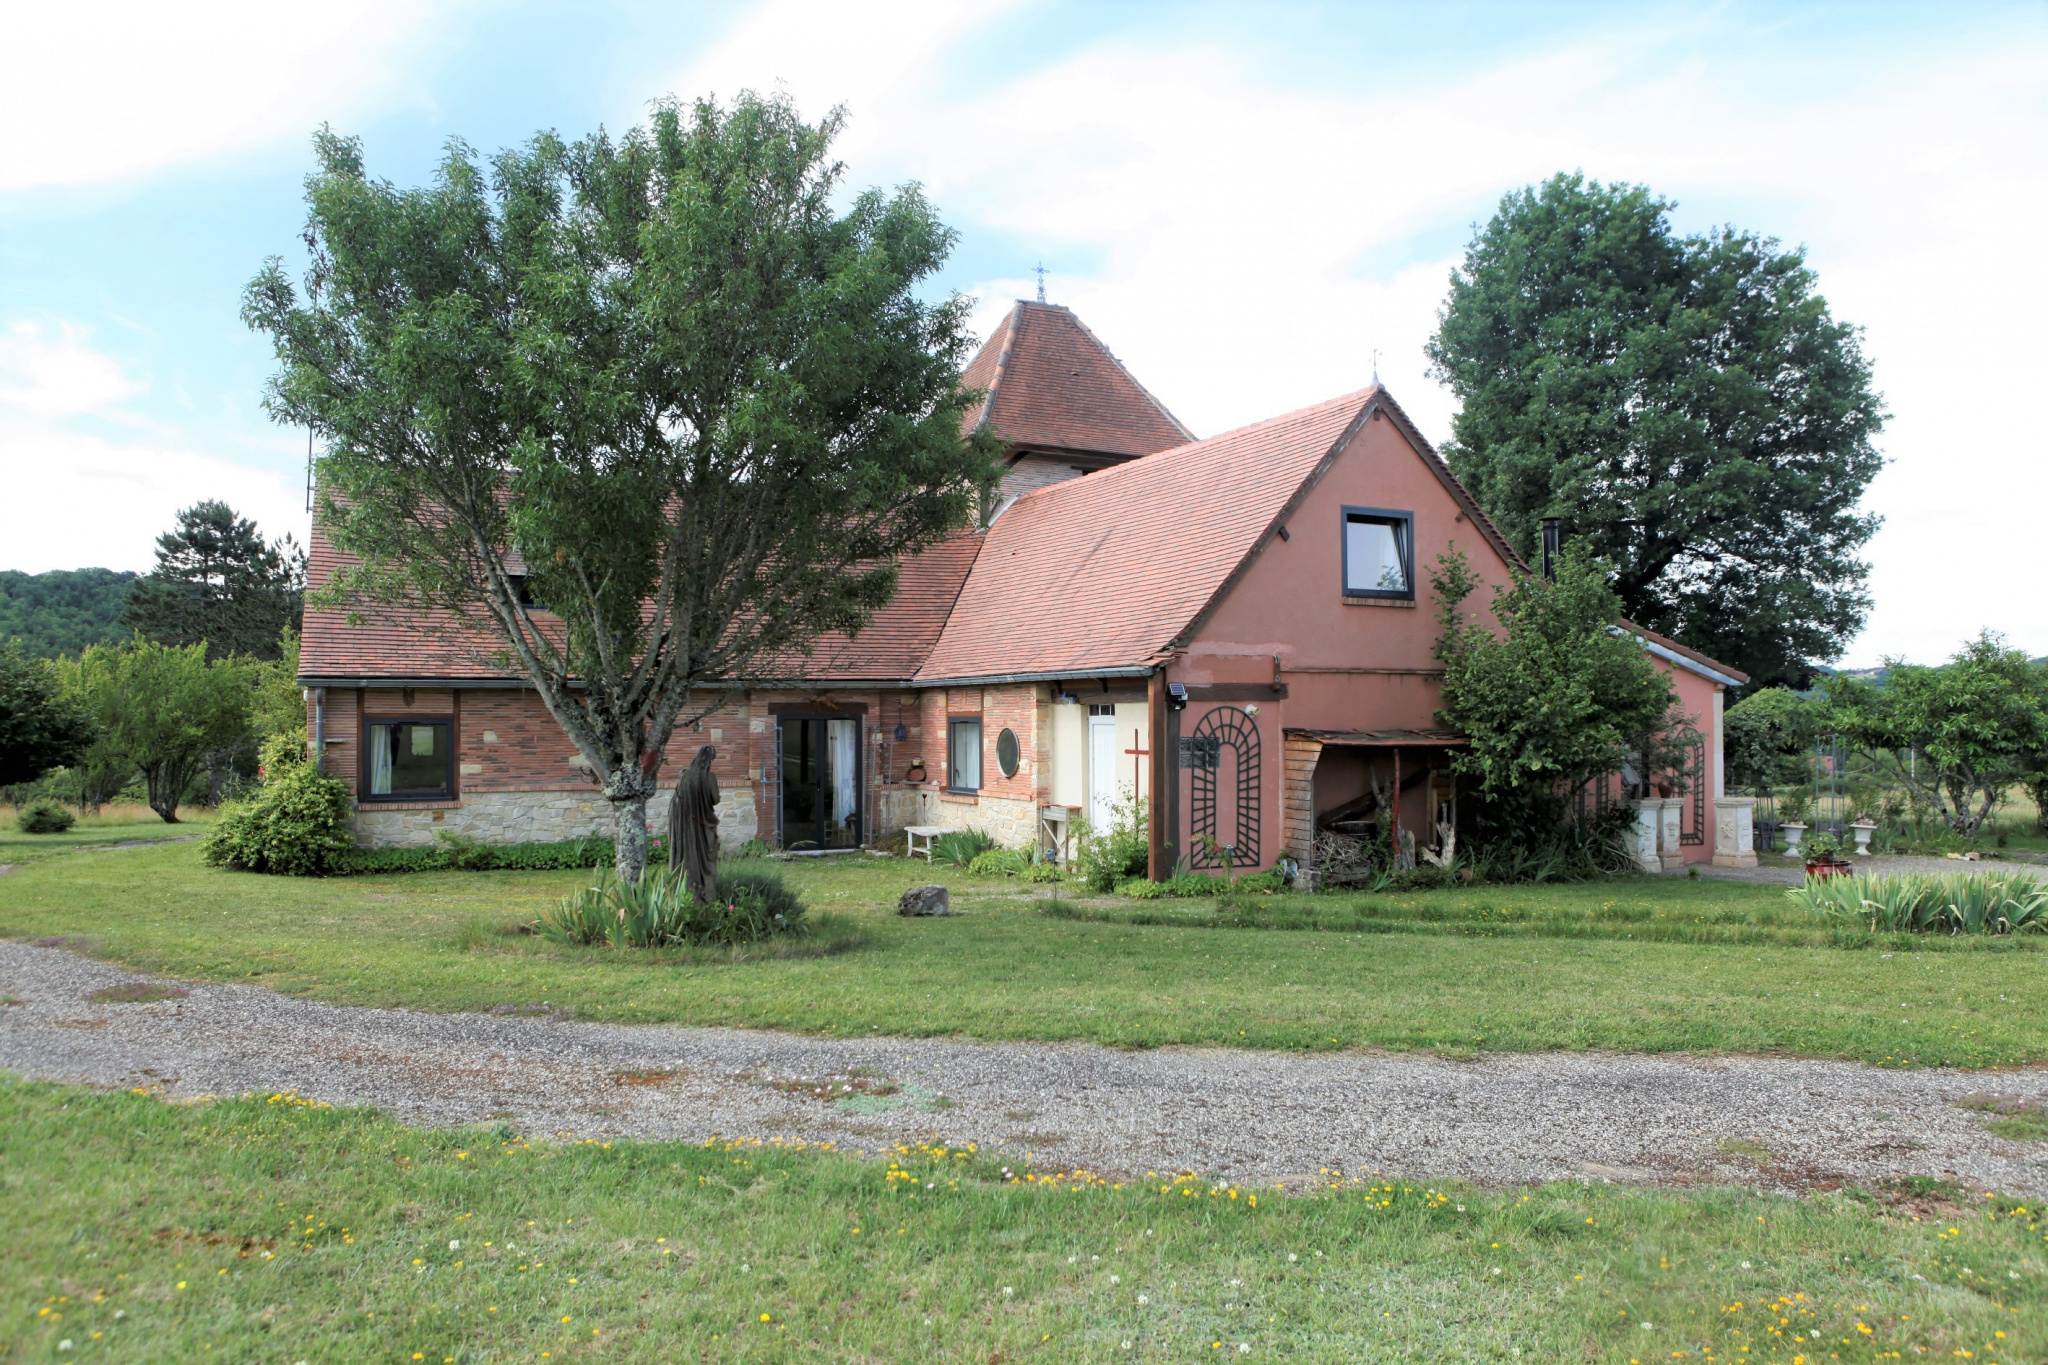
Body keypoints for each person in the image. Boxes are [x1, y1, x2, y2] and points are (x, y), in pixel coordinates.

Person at [668, 745, 720, 905]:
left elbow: (676, 801)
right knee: (705, 856)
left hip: (683, 826)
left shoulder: (685, 775)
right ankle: (703, 894)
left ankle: (685, 891)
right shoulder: (709, 777)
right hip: (701, 824)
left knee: (687, 854)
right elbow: (715, 799)